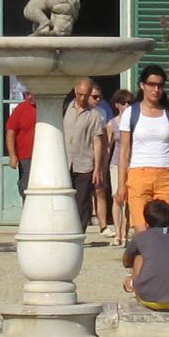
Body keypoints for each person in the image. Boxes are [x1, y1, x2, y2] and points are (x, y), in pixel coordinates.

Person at [111, 65, 169, 260]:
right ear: (142, 86)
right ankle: (144, 272)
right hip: (139, 174)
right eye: (151, 85)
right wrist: (121, 185)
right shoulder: (131, 113)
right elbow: (124, 151)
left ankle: (164, 269)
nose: (155, 90)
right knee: (142, 231)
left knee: (167, 231)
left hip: (166, 174)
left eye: (160, 85)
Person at [123, 200, 169, 310]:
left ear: (147, 224)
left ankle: (137, 291)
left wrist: (131, 275)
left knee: (139, 256)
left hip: (150, 299)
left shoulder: (141, 238)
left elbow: (126, 262)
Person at [63, 77, 107, 232]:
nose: (82, 98)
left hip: (84, 163)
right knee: (63, 200)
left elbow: (97, 142)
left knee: (82, 201)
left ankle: (79, 232)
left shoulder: (94, 115)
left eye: (86, 95)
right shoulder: (65, 108)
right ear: (75, 91)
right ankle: (64, 230)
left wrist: (97, 168)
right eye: (80, 94)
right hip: (64, 162)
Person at [92, 86, 135, 242]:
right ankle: (118, 233)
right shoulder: (112, 124)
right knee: (117, 197)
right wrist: (103, 167)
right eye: (123, 103)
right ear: (117, 105)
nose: (127, 106)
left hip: (134, 164)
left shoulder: (136, 123)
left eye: (129, 103)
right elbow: (107, 147)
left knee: (131, 199)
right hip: (116, 163)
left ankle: (126, 232)